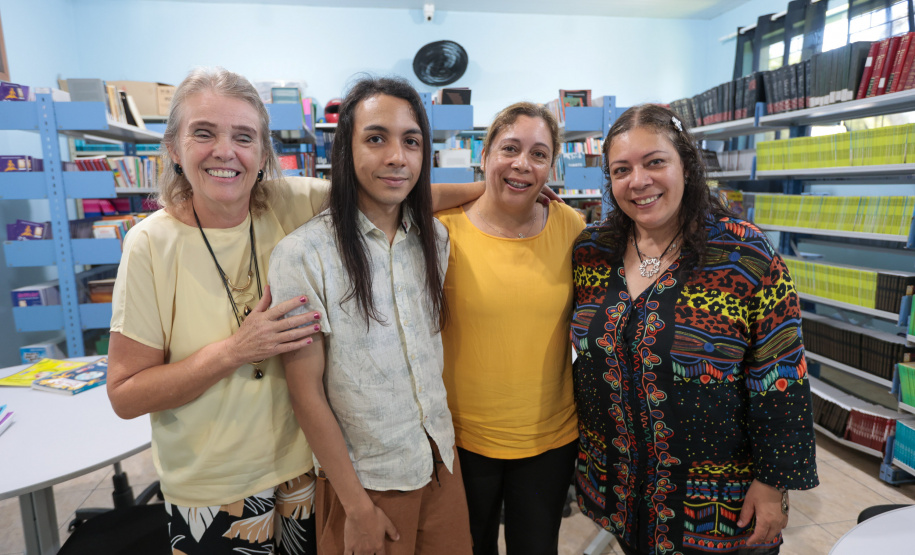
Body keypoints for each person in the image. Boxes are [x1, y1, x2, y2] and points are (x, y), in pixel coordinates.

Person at [107, 68, 483, 554]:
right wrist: (236, 350)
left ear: (264, 155)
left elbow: (393, 186)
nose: (226, 152)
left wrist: (498, 190)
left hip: (302, 470)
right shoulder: (149, 246)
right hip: (218, 483)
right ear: (173, 148)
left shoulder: (286, 202)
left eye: (244, 137)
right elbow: (125, 394)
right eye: (204, 133)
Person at [570, 104, 819, 555]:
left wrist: (772, 483)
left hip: (720, 507)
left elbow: (782, 377)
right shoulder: (593, 250)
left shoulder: (743, 254)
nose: (638, 181)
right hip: (623, 493)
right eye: (621, 169)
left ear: (686, 163)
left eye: (655, 162)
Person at [269, 76, 472, 555]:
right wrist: (357, 508)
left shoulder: (434, 240)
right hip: (367, 483)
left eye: (411, 141)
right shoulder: (303, 255)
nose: (397, 157)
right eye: (376, 138)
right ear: (346, 149)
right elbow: (306, 394)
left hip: (440, 461)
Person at [435, 102, 585, 555]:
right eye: (510, 149)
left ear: (552, 167)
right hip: (464, 440)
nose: (523, 163)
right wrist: (483, 188)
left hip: (549, 440)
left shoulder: (570, 226)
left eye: (539, 155)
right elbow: (378, 196)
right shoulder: (443, 230)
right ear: (485, 155)